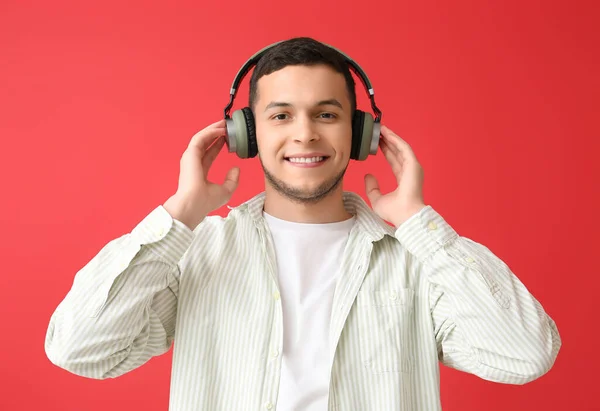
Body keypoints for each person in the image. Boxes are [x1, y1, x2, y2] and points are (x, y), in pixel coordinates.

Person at [45, 37, 561, 411]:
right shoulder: (197, 253)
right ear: (243, 135)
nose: (305, 134)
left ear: (362, 134)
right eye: (280, 115)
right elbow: (79, 349)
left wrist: (421, 224)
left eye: (327, 114)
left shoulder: (417, 259)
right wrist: (181, 213)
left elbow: (525, 355)